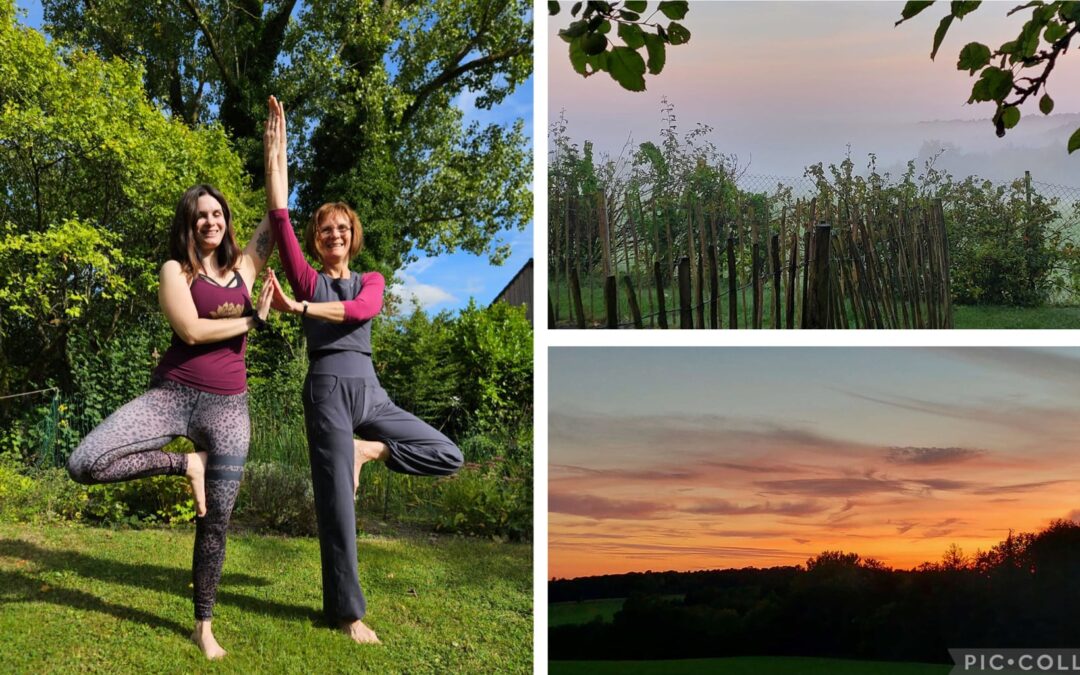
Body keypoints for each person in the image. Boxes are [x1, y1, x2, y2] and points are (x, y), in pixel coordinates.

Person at [261, 95, 463, 644]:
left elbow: (362, 312)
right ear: (317, 239)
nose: (333, 236)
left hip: (369, 390)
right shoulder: (306, 277)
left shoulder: (370, 280)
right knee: (337, 509)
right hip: (327, 388)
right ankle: (348, 613)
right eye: (325, 230)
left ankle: (368, 450)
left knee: (448, 453)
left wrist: (299, 310)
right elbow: (279, 219)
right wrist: (276, 153)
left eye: (342, 229)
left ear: (353, 235)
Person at [66, 178, 278, 660]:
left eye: (218, 213)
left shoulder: (245, 268)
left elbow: (277, 213)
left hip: (228, 406)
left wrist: (276, 157)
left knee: (217, 521)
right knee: (86, 463)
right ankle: (188, 465)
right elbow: (192, 329)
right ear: (188, 222)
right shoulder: (175, 271)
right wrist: (252, 322)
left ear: (226, 219)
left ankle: (204, 625)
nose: (211, 220)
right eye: (201, 214)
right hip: (172, 394)